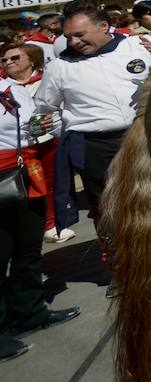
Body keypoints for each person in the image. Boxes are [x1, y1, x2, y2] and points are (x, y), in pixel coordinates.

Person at [33, 0, 151, 234]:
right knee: (112, 213)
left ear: (104, 26)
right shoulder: (59, 67)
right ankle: (117, 262)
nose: (73, 42)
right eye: (67, 37)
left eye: (79, 34)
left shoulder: (139, 46)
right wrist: (39, 132)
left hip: (146, 137)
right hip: (95, 149)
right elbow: (40, 112)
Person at [0, 82, 79, 362]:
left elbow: (35, 131)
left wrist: (42, 125)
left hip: (24, 171)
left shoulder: (13, 89)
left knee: (28, 250)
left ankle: (31, 313)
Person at [0, 44, 69, 243]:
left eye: (15, 58)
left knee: (53, 182)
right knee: (24, 186)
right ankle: (43, 225)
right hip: (21, 147)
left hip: (50, 140)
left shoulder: (47, 79)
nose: (9, 63)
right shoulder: (5, 87)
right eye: (5, 60)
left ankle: (55, 222)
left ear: (32, 60)